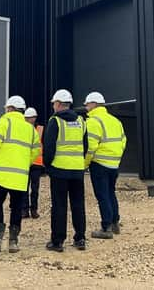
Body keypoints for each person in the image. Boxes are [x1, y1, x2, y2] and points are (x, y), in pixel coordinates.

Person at [0, 96, 40, 253]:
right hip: (20, 175)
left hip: (1, 174)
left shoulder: (4, 122)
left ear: (10, 108)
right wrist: (25, 163)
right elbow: (36, 150)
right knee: (16, 207)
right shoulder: (30, 129)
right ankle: (13, 242)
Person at [44, 89, 88, 252]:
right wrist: (78, 161)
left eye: (54, 104)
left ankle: (57, 241)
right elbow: (85, 146)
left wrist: (48, 166)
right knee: (78, 204)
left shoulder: (55, 121)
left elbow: (49, 147)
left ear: (58, 104)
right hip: (77, 170)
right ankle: (80, 238)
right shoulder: (81, 121)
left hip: (59, 169)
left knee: (59, 205)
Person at [84, 92, 127, 239]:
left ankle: (106, 227)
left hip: (99, 164)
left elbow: (90, 147)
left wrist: (85, 163)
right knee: (110, 192)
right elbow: (123, 141)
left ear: (94, 104)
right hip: (114, 164)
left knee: (102, 195)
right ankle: (115, 223)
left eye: (87, 104)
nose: (86, 107)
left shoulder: (93, 122)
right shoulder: (115, 121)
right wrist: (116, 157)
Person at [22, 107, 44, 219]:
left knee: (34, 189)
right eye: (27, 118)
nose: (29, 120)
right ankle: (24, 210)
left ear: (35, 118)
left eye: (31, 117)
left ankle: (34, 210)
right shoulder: (22, 129)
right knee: (24, 188)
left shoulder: (40, 129)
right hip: (25, 162)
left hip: (36, 163)